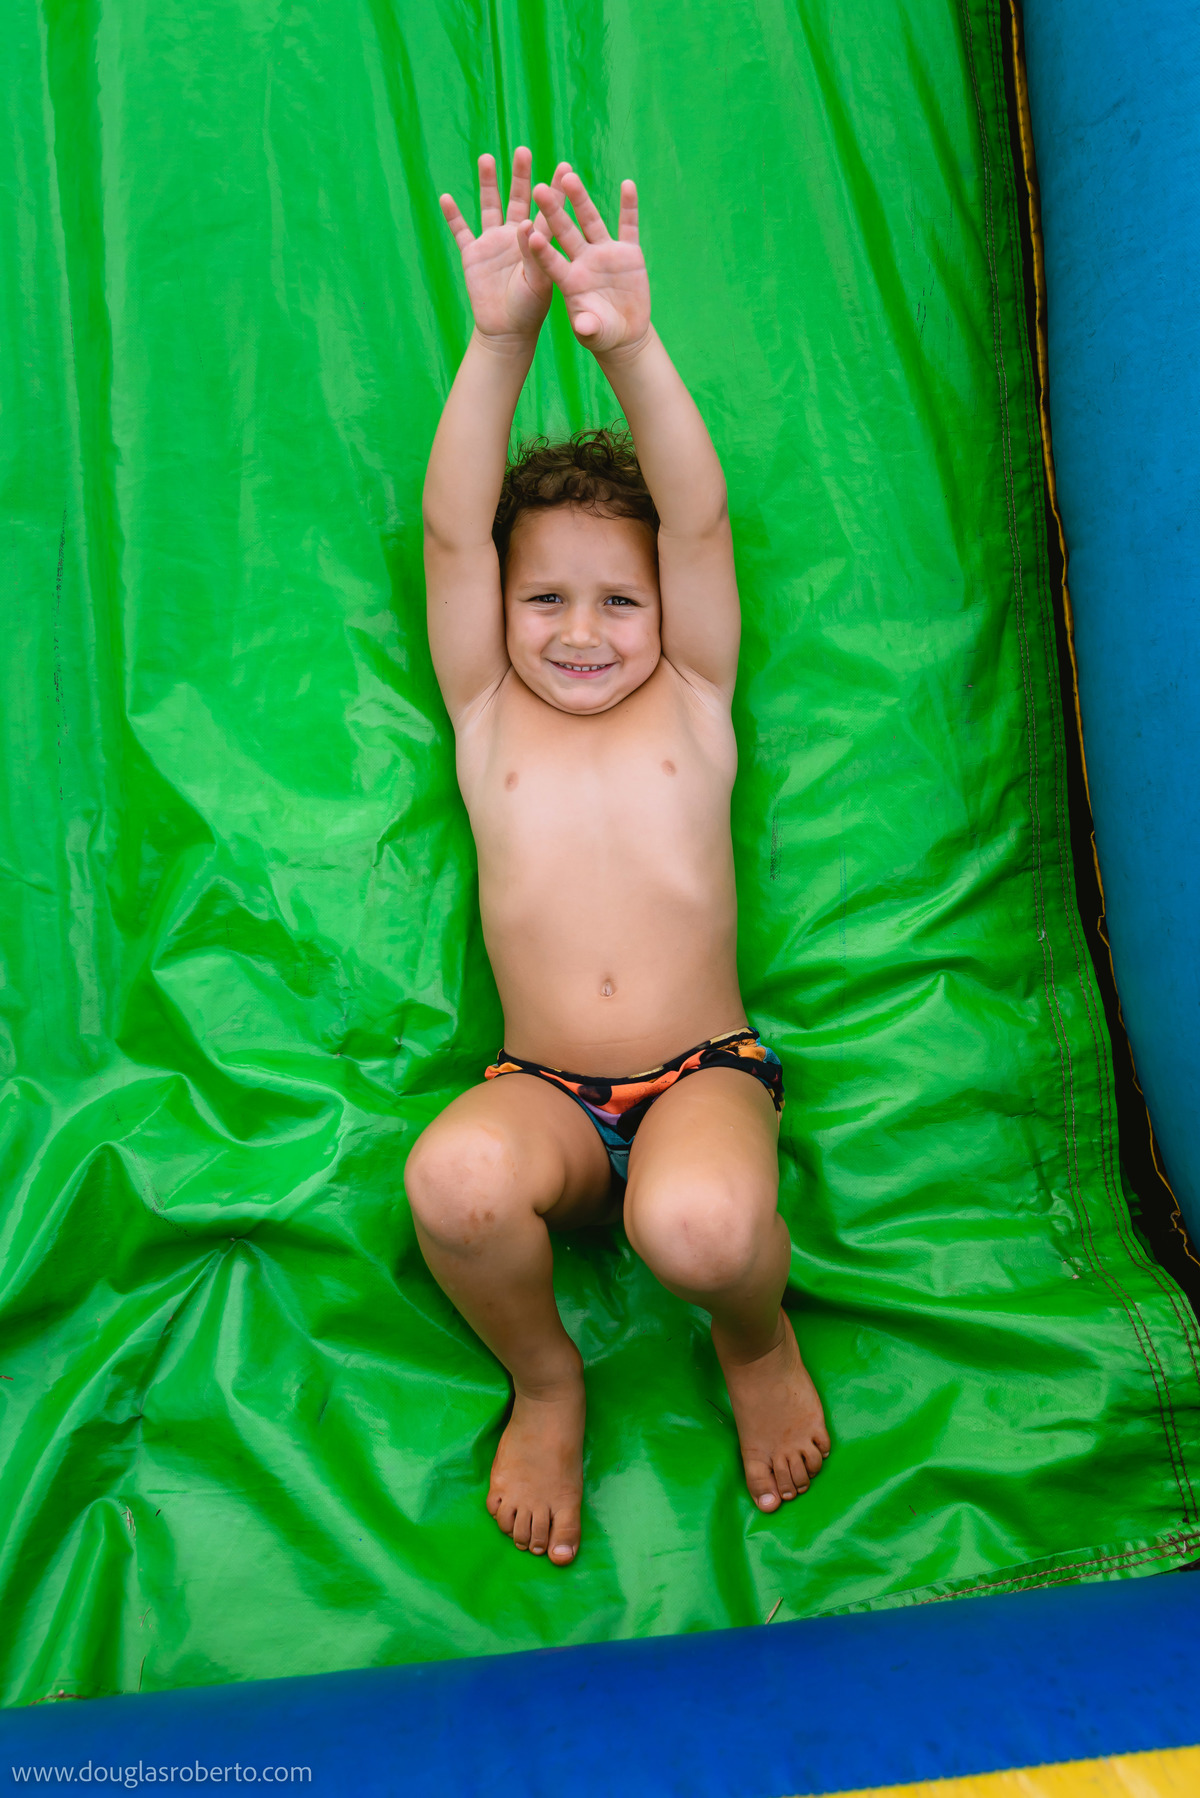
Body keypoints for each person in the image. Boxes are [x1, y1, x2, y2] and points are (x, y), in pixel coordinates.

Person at [405, 147, 829, 1567]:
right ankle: (547, 1380)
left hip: (700, 1076)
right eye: (544, 599)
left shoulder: (691, 694)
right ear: (501, 611)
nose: (579, 632)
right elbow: (451, 533)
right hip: (541, 1093)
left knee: (700, 1229)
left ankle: (754, 1341)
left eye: (617, 601)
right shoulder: (488, 708)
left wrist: (631, 346)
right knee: (452, 1183)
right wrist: (499, 342)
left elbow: (695, 518)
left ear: (667, 609)